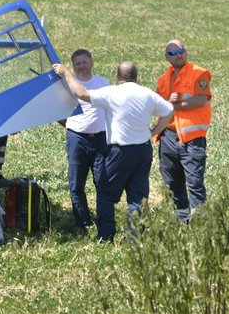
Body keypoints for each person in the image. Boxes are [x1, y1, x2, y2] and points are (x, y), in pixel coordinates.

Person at [53, 61, 174, 242]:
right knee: (137, 195)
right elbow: (169, 110)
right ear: (136, 76)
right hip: (143, 150)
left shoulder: (112, 92)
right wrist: (154, 132)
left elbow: (81, 93)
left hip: (120, 151)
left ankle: (106, 234)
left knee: (106, 192)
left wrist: (66, 73)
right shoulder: (148, 94)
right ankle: (134, 236)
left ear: (118, 77)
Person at [155, 40, 212, 222]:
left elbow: (201, 100)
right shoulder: (163, 79)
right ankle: (181, 219)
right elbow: (157, 103)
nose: (178, 55)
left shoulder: (199, 73)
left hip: (191, 138)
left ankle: (200, 220)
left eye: (181, 51)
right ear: (166, 58)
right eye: (173, 53)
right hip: (168, 136)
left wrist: (174, 106)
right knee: (172, 181)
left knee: (194, 181)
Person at [57, 49, 109, 228]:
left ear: (91, 63)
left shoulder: (103, 83)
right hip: (77, 139)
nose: (81, 66)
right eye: (77, 63)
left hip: (100, 139)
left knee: (102, 182)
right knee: (76, 183)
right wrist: (74, 126)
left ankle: (104, 218)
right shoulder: (68, 85)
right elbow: (58, 112)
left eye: (84, 62)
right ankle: (84, 222)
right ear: (73, 66)